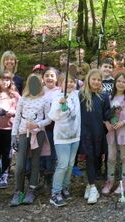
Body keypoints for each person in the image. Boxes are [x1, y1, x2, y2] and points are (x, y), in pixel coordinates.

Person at [10, 74, 52, 207]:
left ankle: (32, 189)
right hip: (23, 133)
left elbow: (49, 118)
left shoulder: (44, 99)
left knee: (35, 161)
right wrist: (13, 135)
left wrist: (38, 125)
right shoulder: (23, 99)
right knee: (21, 164)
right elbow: (17, 118)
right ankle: (18, 191)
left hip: (37, 134)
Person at [102, 73, 125, 195]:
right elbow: (104, 113)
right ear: (115, 83)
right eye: (118, 81)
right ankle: (110, 180)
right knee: (111, 157)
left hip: (123, 132)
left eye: (124, 82)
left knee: (124, 157)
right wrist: (107, 123)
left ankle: (124, 181)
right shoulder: (108, 98)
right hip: (111, 132)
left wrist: (123, 122)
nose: (121, 84)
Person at [48, 73, 81, 207]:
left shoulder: (77, 95)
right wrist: (59, 105)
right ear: (60, 84)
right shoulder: (57, 97)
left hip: (75, 135)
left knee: (70, 164)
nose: (69, 84)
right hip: (61, 137)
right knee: (62, 164)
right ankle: (55, 193)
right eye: (66, 82)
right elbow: (52, 116)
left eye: (72, 81)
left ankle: (65, 187)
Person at [80, 69, 112, 204]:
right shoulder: (81, 95)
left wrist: (113, 113)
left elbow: (106, 115)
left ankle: (90, 183)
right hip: (85, 132)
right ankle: (93, 187)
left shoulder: (104, 97)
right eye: (94, 79)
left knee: (96, 158)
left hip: (98, 132)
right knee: (89, 157)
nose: (96, 82)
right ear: (88, 79)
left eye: (99, 80)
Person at [0, 71, 21, 189]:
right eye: (2, 79)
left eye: (7, 80)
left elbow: (21, 110)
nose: (5, 82)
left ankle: (4, 175)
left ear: (11, 81)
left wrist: (11, 112)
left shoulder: (15, 95)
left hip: (9, 128)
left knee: (7, 153)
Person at [40, 67, 61, 190]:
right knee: (42, 151)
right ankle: (41, 175)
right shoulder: (39, 91)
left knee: (52, 151)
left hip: (54, 126)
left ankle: (50, 176)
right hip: (40, 126)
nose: (49, 78)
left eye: (52, 75)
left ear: (56, 78)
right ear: (43, 78)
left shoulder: (60, 91)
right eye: (47, 75)